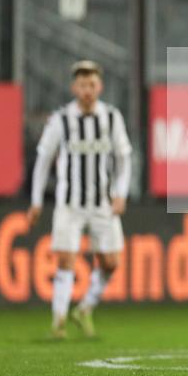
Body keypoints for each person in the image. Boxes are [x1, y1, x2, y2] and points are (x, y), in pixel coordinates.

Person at [27, 60, 132, 339]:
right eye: (83, 84)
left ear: (100, 86)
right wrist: (36, 200)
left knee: (111, 263)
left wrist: (121, 193)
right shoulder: (61, 119)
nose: (87, 90)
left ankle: (84, 308)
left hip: (102, 203)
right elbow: (43, 160)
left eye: (92, 84)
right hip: (70, 204)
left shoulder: (111, 117)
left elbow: (123, 159)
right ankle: (59, 321)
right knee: (66, 261)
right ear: (74, 87)